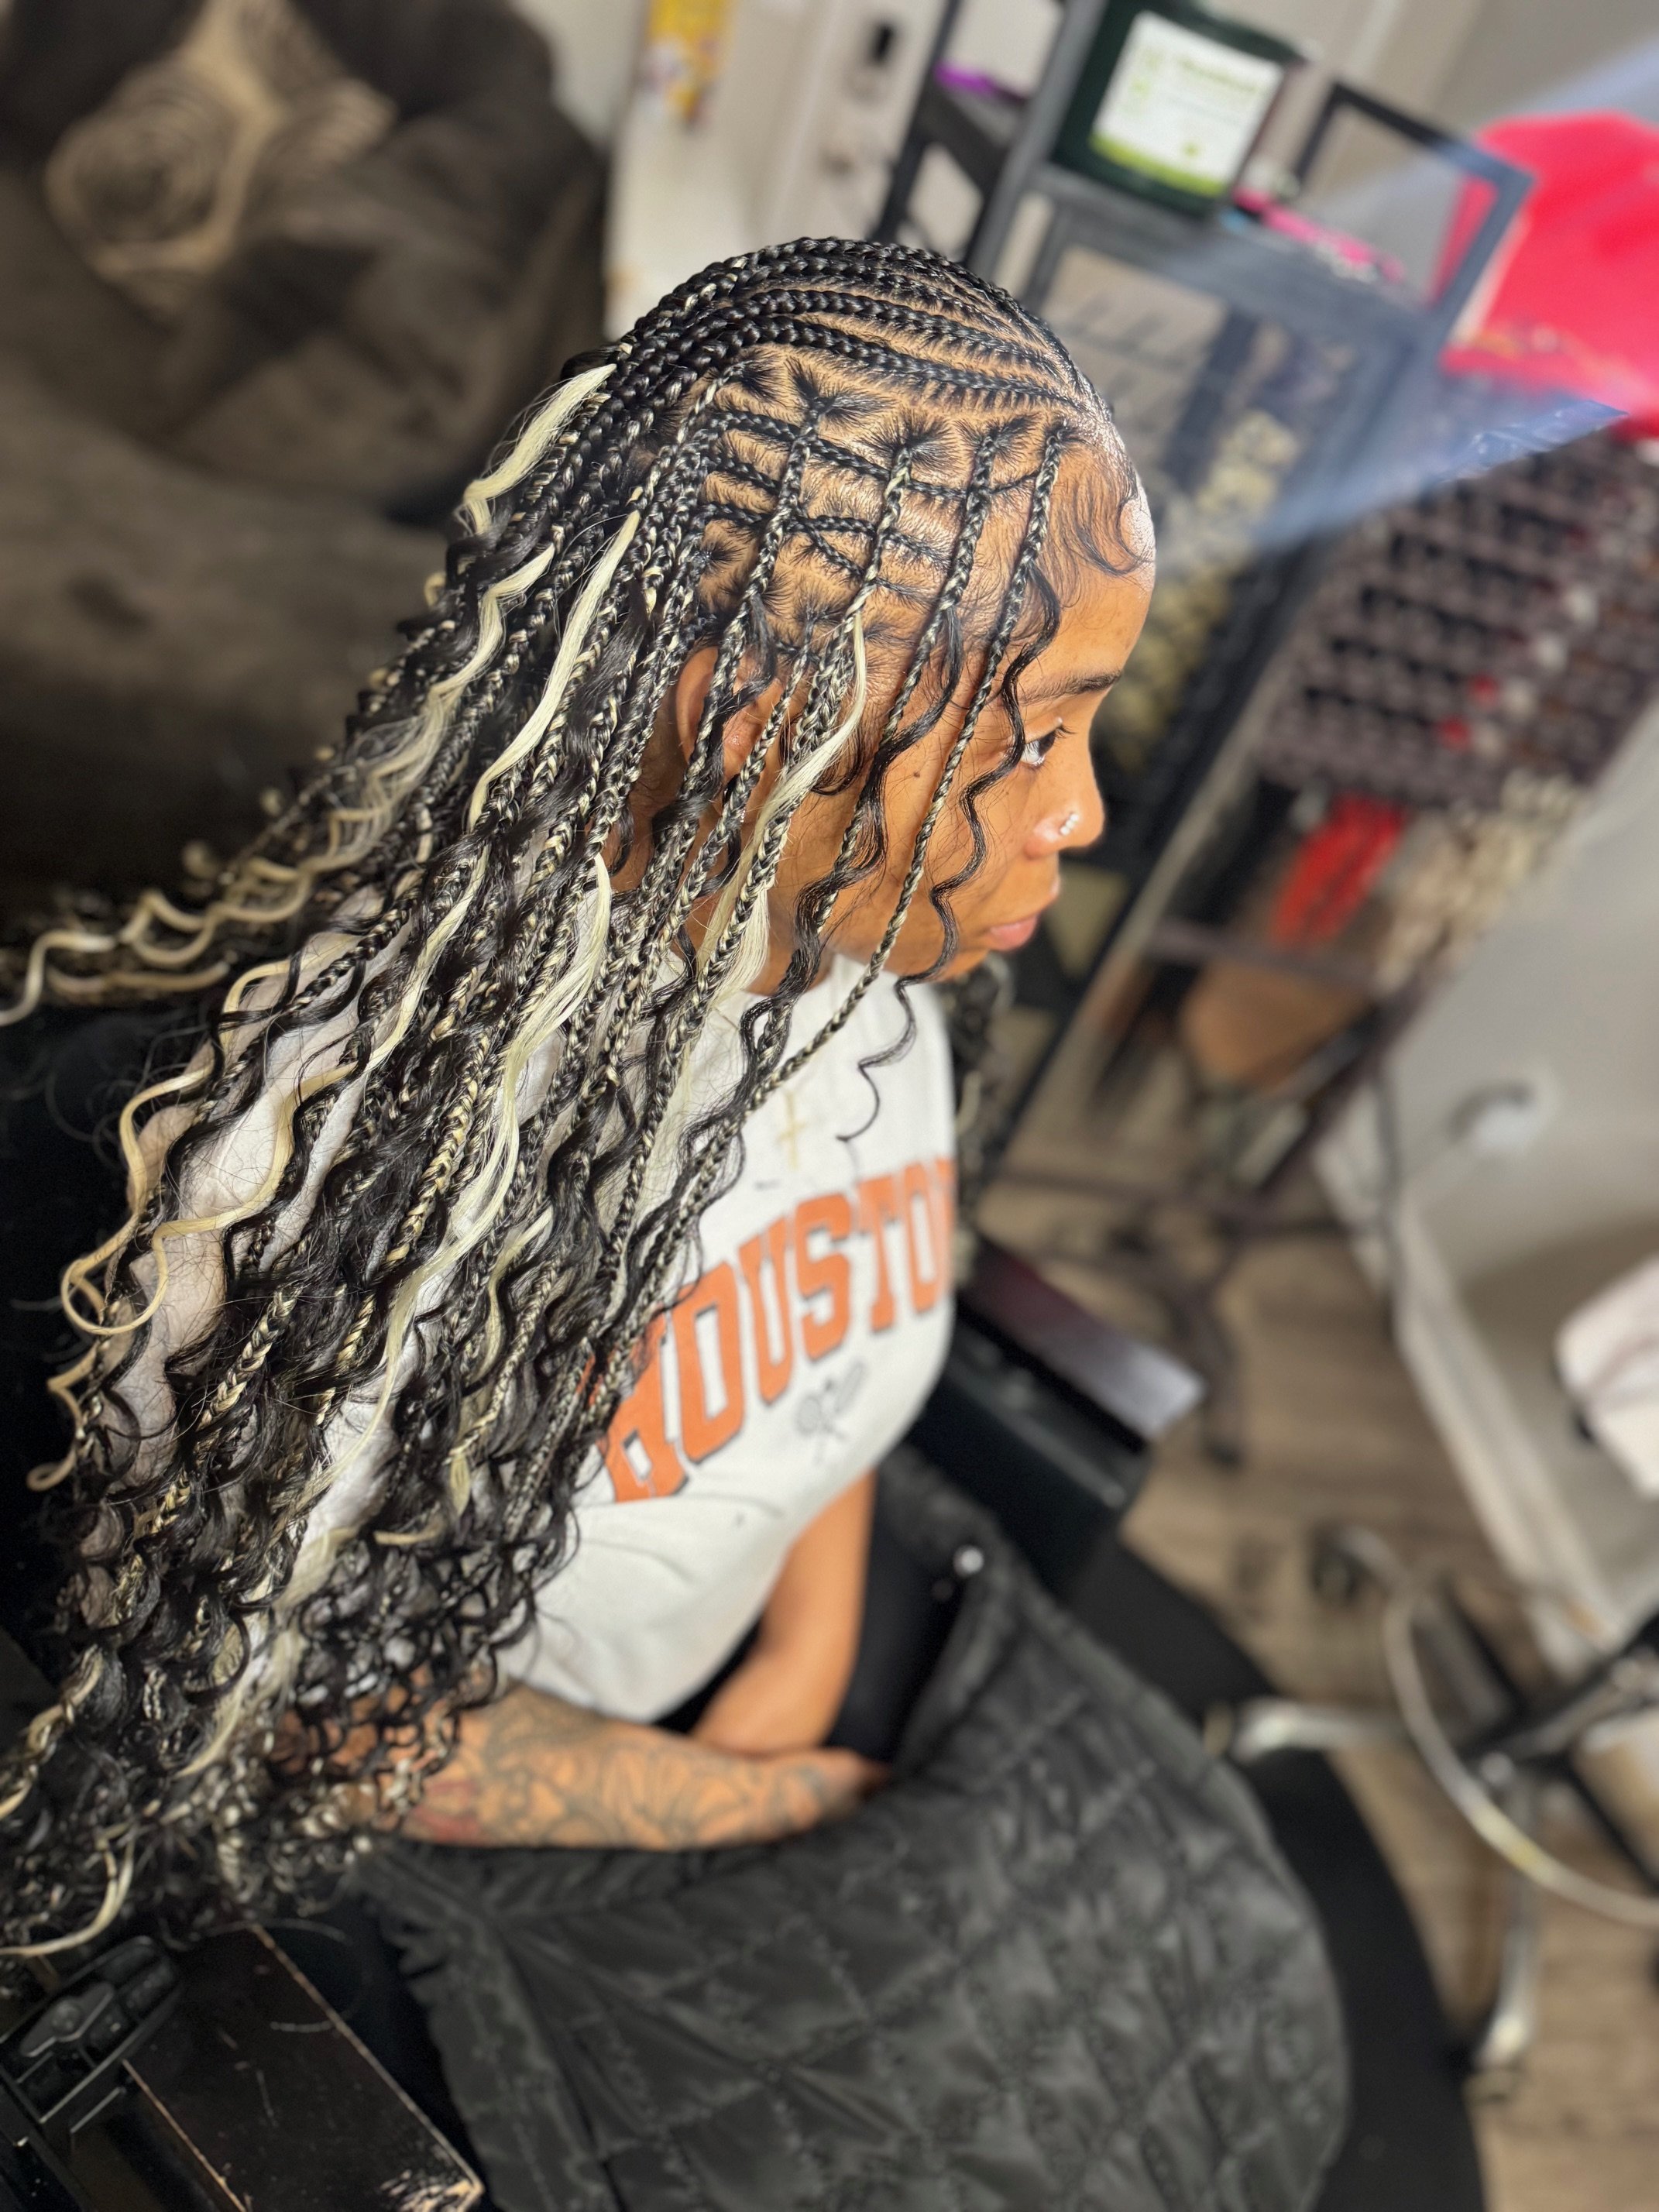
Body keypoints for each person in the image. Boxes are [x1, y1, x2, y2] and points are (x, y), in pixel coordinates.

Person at [0, 237, 1152, 1955]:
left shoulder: (893, 991)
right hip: (471, 1870)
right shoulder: (323, 1197)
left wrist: (803, 1665)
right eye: (1040, 734)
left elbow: (834, 1381)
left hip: (774, 1706)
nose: (1085, 818)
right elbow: (316, 1726)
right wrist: (750, 1803)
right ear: (760, 707)